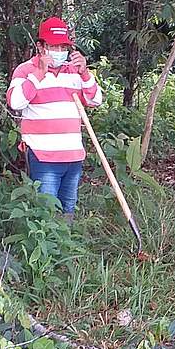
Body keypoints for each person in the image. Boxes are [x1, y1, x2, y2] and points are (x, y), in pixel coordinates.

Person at [6, 17, 104, 222]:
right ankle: (46, 253)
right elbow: (15, 102)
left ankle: (64, 249)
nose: (59, 51)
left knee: (68, 209)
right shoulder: (26, 70)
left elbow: (95, 100)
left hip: (73, 155)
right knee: (46, 213)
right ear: (40, 46)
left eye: (63, 46)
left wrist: (85, 73)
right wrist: (39, 74)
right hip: (43, 157)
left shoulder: (74, 72)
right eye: (53, 46)